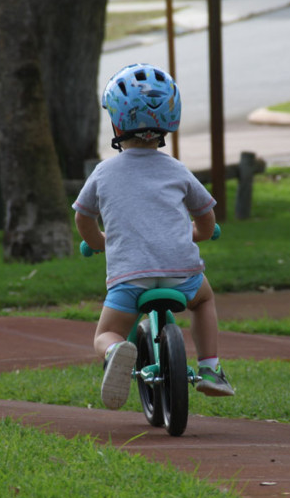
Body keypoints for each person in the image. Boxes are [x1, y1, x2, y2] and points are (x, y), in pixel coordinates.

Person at [73, 62, 235, 410]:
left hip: (130, 278)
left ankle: (118, 351)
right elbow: (206, 216)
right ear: (169, 122)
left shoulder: (103, 172)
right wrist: (199, 234)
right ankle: (210, 369)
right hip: (182, 274)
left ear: (117, 121)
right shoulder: (176, 168)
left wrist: (100, 242)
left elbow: (83, 216)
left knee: (105, 332)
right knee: (204, 301)